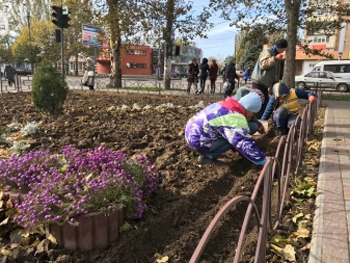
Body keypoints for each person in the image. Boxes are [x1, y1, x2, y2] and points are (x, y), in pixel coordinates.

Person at [185, 92, 266, 166]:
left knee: (247, 129)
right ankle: (207, 157)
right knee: (234, 139)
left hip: (192, 134)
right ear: (249, 109)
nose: (252, 115)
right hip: (198, 141)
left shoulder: (227, 105)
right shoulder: (234, 116)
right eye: (253, 112)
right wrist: (262, 160)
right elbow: (242, 142)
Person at [251, 39, 288, 119]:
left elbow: (273, 71)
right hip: (259, 81)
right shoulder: (268, 52)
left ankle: (262, 120)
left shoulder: (276, 54)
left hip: (265, 82)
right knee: (258, 102)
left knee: (266, 103)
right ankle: (255, 120)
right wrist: (274, 59)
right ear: (281, 47)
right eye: (284, 49)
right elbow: (263, 65)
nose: (284, 51)